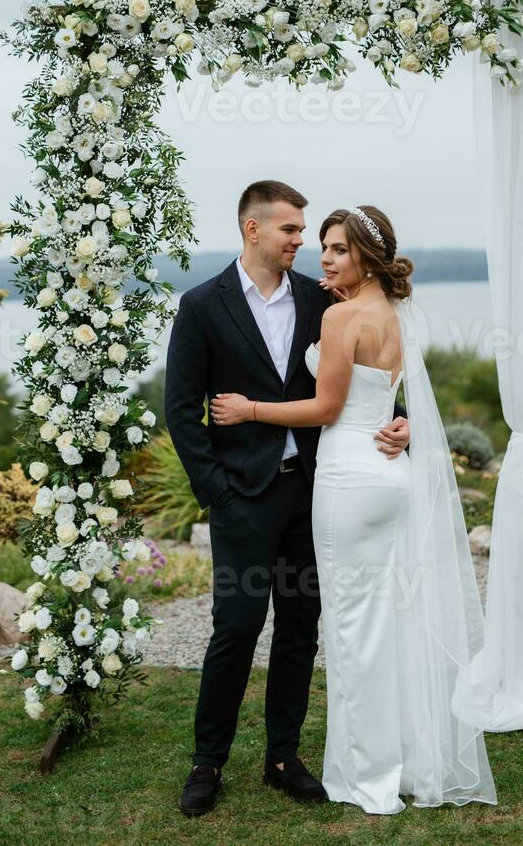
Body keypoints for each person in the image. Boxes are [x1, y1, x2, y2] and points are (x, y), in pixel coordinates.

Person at [212, 204, 497, 814]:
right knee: (390, 625)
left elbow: (325, 409)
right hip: (390, 474)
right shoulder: (395, 312)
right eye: (322, 246)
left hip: (346, 478)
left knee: (349, 631)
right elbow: (402, 397)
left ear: (365, 256)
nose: (325, 258)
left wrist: (250, 409)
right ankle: (409, 761)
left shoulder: (342, 317)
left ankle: (365, 775)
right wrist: (405, 427)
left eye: (339, 249)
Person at [164, 182, 410, 817]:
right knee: (237, 627)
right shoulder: (201, 305)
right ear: (253, 230)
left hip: (314, 490)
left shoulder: (321, 299)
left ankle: (283, 756)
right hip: (241, 496)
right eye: (291, 231)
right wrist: (215, 489)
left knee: (300, 629)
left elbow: (364, 377)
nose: (302, 243)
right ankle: (207, 761)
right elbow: (182, 407)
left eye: (306, 233)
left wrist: (400, 420)